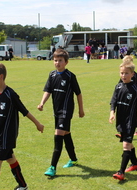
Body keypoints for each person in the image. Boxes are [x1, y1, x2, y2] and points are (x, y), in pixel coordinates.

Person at [38, 49, 85, 177]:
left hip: (66, 110)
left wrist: (81, 109)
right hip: (56, 110)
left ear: (66, 62)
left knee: (58, 135)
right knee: (66, 134)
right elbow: (48, 90)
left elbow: (78, 94)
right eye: (55, 60)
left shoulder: (70, 77)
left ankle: (52, 167)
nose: (57, 63)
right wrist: (42, 103)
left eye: (60, 60)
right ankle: (74, 159)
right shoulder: (52, 75)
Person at [109, 61, 137, 181]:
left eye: (126, 73)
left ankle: (121, 172)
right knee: (128, 143)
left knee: (126, 145)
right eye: (122, 73)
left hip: (131, 121)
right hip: (121, 121)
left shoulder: (136, 89)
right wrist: (112, 112)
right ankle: (135, 163)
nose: (123, 76)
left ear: (132, 74)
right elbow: (113, 101)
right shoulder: (118, 87)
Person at [115, 55, 137, 137]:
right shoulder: (123, 76)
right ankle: (124, 132)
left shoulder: (136, 75)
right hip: (126, 96)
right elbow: (120, 85)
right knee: (125, 114)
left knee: (133, 114)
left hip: (134, 96)